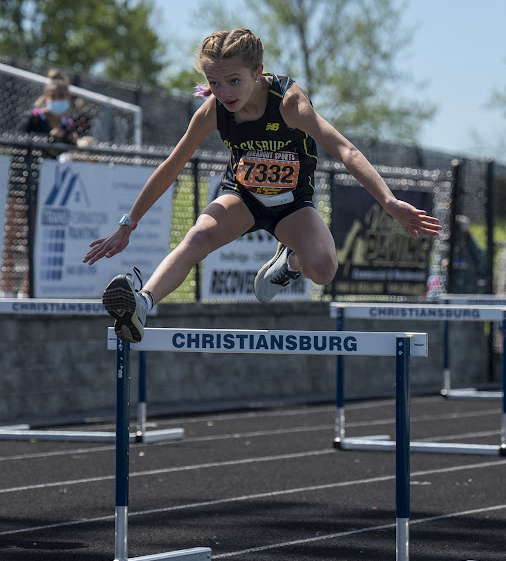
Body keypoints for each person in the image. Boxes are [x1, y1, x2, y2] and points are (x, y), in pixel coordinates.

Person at [83, 28, 441, 342]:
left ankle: (289, 263)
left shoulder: (289, 104)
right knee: (197, 237)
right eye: (214, 83)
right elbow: (171, 166)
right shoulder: (212, 111)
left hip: (291, 205)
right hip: (242, 196)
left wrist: (389, 202)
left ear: (258, 72)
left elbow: (345, 150)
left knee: (324, 270)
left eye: (234, 81)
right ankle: (142, 304)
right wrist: (128, 224)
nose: (224, 92)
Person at [1, 72, 78, 298]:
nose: (59, 98)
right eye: (54, 95)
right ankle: (5, 290)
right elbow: (18, 144)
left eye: (63, 94)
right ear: (46, 98)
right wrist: (48, 139)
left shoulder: (68, 125)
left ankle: (26, 291)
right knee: (12, 238)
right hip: (21, 184)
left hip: (47, 189)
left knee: (35, 242)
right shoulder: (32, 119)